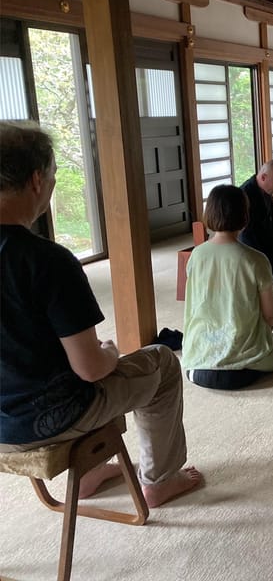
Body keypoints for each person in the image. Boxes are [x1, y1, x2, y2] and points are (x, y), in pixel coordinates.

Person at [0, 122, 201, 508]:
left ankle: (91, 473)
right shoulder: (47, 261)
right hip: (44, 420)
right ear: (37, 180)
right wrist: (108, 351)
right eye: (55, 175)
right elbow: (91, 370)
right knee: (160, 361)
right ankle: (159, 481)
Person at [182, 185, 273, 390]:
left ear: (209, 214)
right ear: (244, 215)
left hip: (197, 362)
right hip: (246, 361)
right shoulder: (255, 260)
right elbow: (268, 318)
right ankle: (254, 362)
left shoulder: (196, 255)